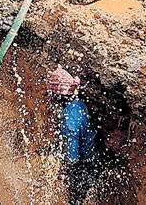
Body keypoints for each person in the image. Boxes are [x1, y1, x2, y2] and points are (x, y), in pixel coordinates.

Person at [48, 65, 98, 205]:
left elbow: (71, 159)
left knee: (75, 200)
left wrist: (58, 171)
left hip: (84, 165)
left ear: (57, 95)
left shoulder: (68, 121)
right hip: (93, 155)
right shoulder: (78, 104)